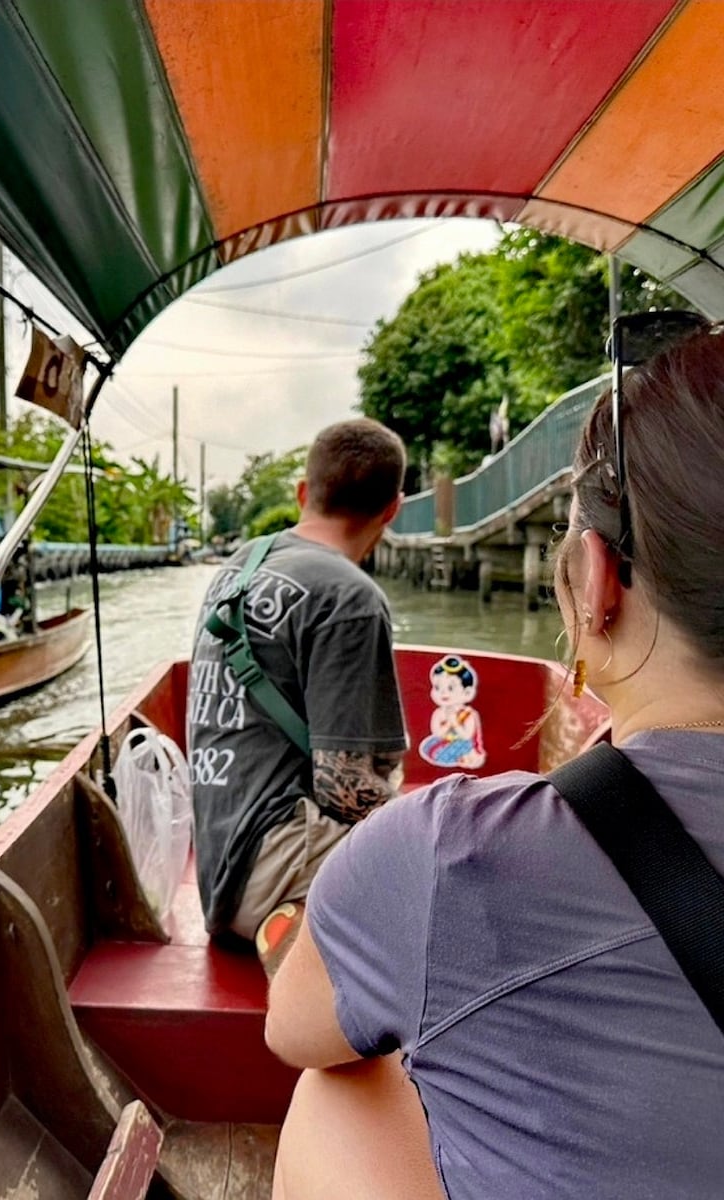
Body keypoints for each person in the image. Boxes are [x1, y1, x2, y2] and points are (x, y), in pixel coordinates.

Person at [265, 321, 724, 1199]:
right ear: (390, 508)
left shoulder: (452, 849)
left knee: (336, 1091)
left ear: (597, 580)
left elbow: (293, 1032)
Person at [189, 417, 408, 969]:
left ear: (304, 493)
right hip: (276, 871)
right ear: (393, 509)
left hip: (217, 871)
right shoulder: (349, 597)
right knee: (452, 858)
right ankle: (314, 933)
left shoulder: (239, 566)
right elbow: (343, 789)